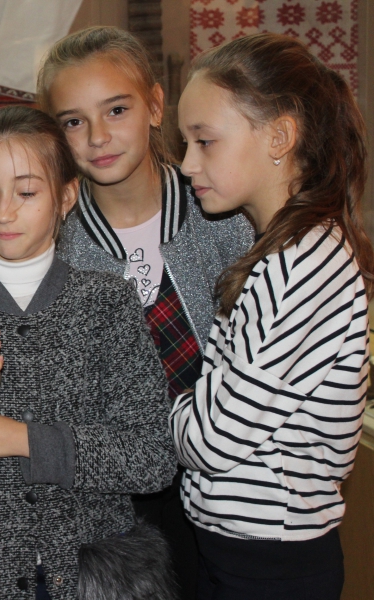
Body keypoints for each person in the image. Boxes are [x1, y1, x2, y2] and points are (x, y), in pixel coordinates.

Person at [0, 105, 177, 599]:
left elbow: (151, 457)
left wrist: (24, 439)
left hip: (95, 578)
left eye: (26, 192)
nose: (4, 212)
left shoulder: (107, 303)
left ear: (66, 195)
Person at [37, 26, 254, 598]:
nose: (98, 136)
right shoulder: (54, 244)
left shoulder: (225, 215)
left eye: (117, 110)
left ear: (156, 106)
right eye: (74, 121)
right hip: (115, 502)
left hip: (229, 491)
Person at [171, 33, 373, 600]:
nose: (187, 164)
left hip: (269, 559)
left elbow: (212, 440)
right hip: (245, 548)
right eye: (186, 144)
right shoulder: (285, 253)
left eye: (205, 141)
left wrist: (171, 408)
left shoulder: (299, 265)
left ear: (279, 137)